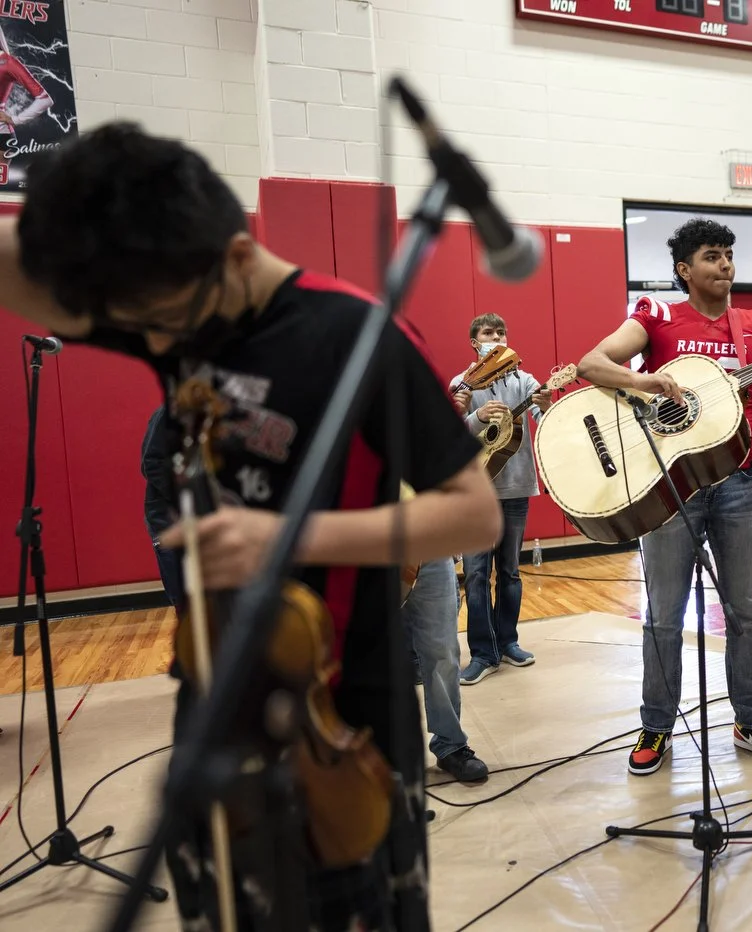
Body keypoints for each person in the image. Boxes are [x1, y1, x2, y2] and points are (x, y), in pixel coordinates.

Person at [4, 123, 503, 931]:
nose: (157, 345)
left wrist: (288, 538)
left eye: (161, 321)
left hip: (339, 718)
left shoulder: (356, 336)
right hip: (216, 688)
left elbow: (473, 513)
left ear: (236, 255)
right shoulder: (178, 303)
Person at [577, 217, 752, 775]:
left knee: (746, 612)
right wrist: (645, 382)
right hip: (671, 489)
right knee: (664, 617)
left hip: (743, 484)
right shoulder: (655, 318)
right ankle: (656, 727)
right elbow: (590, 364)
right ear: (684, 269)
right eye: (711, 255)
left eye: (728, 254)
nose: (724, 263)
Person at [452, 313, 554, 684]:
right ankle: (483, 652)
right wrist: (476, 415)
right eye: (487, 333)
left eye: (501, 331)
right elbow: (450, 433)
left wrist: (546, 400)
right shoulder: (461, 384)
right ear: (474, 342)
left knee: (509, 571)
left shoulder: (525, 380)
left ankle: (508, 641)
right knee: (477, 574)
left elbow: (545, 416)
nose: (495, 337)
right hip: (475, 494)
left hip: (515, 488)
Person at [401, 555, 489, 782]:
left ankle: (450, 745)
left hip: (431, 550)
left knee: (443, 652)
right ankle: (382, 752)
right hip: (372, 550)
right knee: (376, 655)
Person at [140, 406, 185, 606]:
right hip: (165, 518)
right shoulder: (166, 415)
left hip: (198, 519)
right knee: (180, 596)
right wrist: (181, 496)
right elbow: (150, 462)